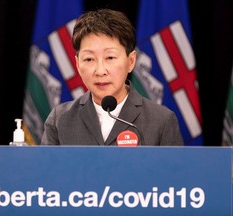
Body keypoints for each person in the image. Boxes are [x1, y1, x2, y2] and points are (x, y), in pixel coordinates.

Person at [41, 9, 184, 146]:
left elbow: (175, 171)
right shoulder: (60, 120)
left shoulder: (162, 121)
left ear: (131, 61)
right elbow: (46, 170)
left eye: (110, 57)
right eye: (89, 59)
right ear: (78, 64)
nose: (100, 71)